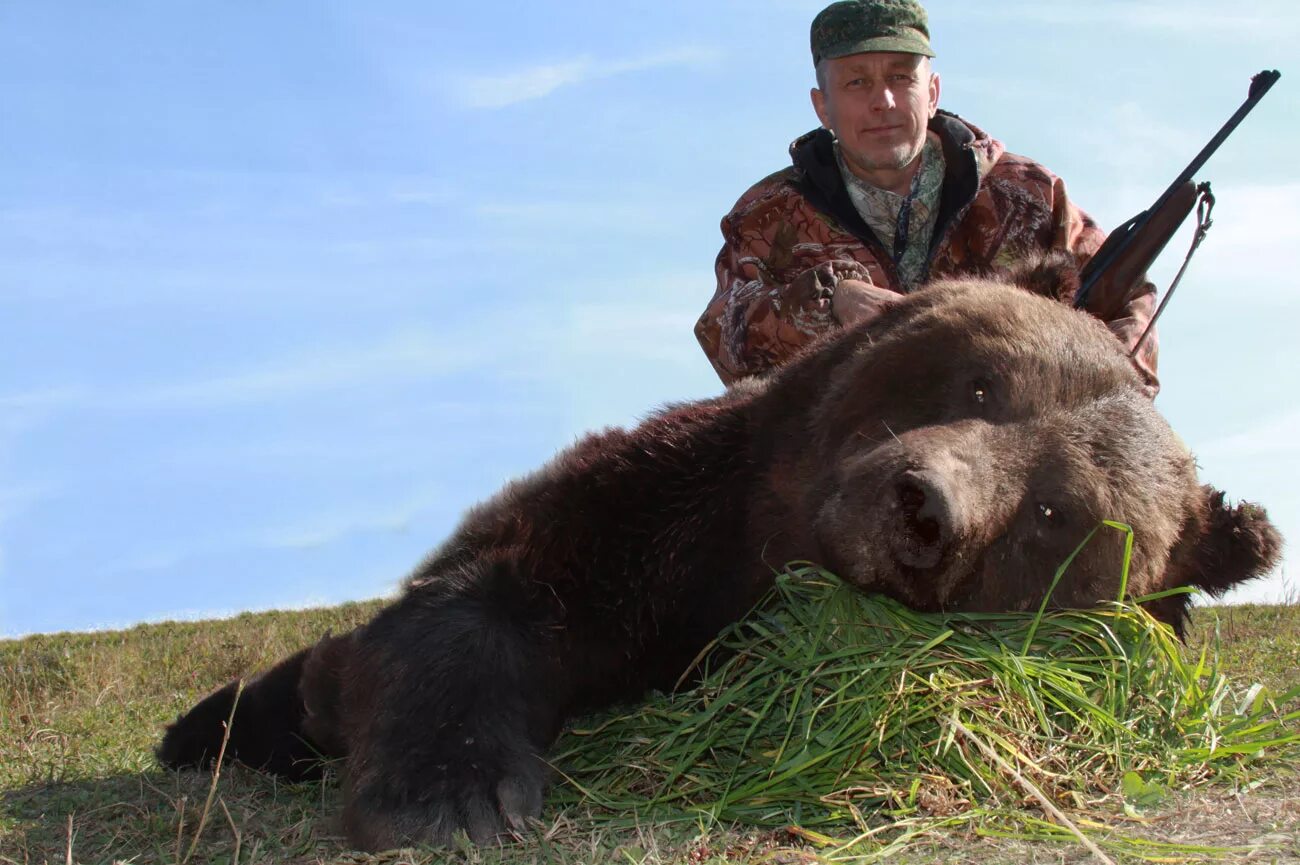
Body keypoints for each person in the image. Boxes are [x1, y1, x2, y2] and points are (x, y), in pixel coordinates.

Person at [694, 0, 1159, 393]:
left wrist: (1110, 385)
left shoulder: (1028, 195)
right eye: (857, 82)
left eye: (901, 78)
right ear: (822, 107)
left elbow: (1124, 294)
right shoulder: (768, 216)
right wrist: (830, 302)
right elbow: (725, 339)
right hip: (837, 469)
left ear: (932, 92)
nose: (885, 102)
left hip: (1010, 461)